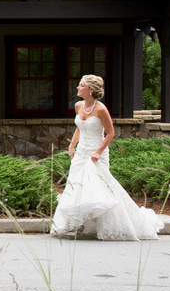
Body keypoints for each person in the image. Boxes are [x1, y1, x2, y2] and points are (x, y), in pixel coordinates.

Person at [51, 74, 163, 240]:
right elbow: (79, 127)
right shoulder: (78, 106)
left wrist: (98, 151)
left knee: (99, 187)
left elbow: (110, 133)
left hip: (97, 152)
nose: (77, 88)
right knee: (76, 185)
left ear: (91, 90)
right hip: (81, 152)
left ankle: (112, 223)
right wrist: (72, 145)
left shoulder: (101, 109)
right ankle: (77, 224)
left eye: (81, 86)